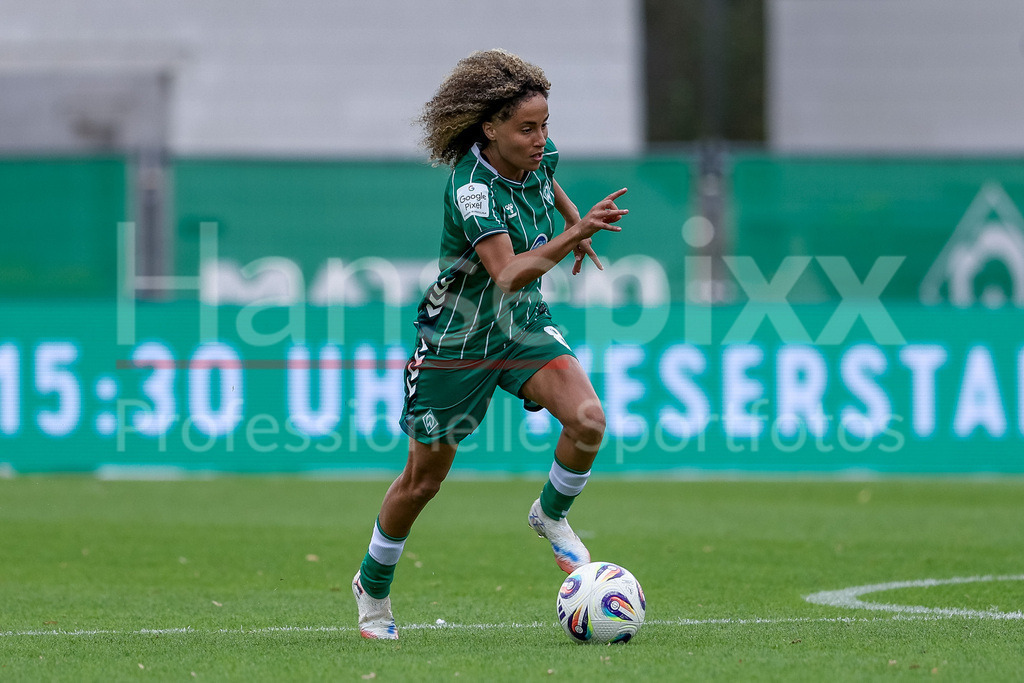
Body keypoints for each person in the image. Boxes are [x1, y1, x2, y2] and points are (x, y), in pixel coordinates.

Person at [351, 48, 628, 640]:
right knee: (423, 481)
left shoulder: (538, 154)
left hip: (521, 324)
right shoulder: (471, 188)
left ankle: (549, 516)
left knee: (588, 420)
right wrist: (575, 233)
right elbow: (506, 273)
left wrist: (572, 218)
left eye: (545, 124)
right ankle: (371, 588)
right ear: (490, 128)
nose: (541, 138)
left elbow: (547, 182)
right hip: (459, 339)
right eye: (527, 128)